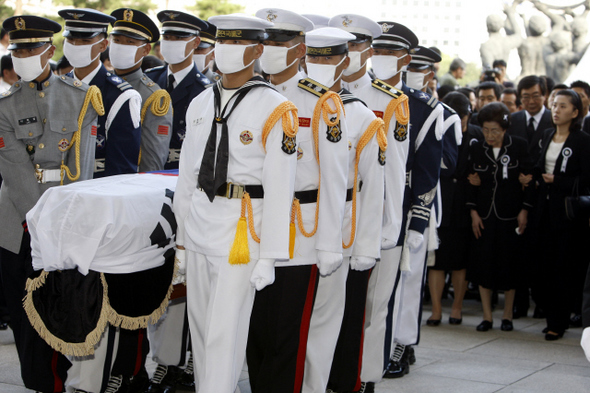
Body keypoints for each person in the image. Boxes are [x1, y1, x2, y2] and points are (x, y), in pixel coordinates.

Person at [173, 14, 298, 393]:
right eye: (221, 43)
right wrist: (180, 240)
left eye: (235, 43)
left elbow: (281, 187)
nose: (225, 52)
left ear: (257, 50)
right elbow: (186, 177)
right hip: (198, 226)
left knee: (223, 333)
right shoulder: (199, 101)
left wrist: (270, 255)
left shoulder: (277, 107)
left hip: (241, 231)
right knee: (199, 328)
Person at [0, 15, 100, 392]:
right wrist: (38, 218)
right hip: (18, 222)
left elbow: (83, 164)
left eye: (31, 49)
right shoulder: (4, 106)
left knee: (62, 302)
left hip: (65, 216)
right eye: (18, 50)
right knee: (25, 309)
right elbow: (14, 168)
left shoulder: (80, 98)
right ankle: (38, 383)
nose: (24, 56)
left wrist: (69, 218)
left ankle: (63, 380)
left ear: (50, 50)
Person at [336, 16, 410, 393]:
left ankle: (364, 379)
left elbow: (394, 172)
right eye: (343, 44)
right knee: (331, 308)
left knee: (371, 309)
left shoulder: (390, 100)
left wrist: (389, 230)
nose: (350, 53)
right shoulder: (315, 90)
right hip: (330, 219)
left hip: (373, 217)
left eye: (358, 45)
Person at [467, 102, 533, 332]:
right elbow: (471, 182)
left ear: (505, 129)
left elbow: (528, 181)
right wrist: (473, 212)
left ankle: (507, 315)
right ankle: (487, 316)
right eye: (485, 130)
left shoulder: (519, 146)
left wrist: (524, 209)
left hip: (510, 215)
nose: (490, 135)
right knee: (484, 265)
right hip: (484, 216)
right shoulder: (477, 148)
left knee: (509, 265)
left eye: (495, 130)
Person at [534, 89, 590, 340]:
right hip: (544, 210)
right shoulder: (546, 135)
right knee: (544, 265)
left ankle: (559, 320)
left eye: (563, 106)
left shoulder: (583, 140)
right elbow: (539, 167)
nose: (556, 110)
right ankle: (551, 317)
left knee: (563, 267)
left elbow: (586, 179)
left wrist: (559, 180)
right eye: (554, 105)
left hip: (568, 215)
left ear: (575, 112)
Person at [60, 8, 142, 178]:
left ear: (103, 45)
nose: (76, 45)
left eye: (84, 40)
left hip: (97, 192)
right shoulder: (57, 88)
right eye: (71, 39)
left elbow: (122, 170)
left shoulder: (121, 96)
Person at [108, 8, 173, 173]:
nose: (121, 46)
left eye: (130, 42)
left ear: (145, 50)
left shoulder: (153, 96)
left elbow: (152, 162)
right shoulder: (98, 86)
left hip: (127, 185)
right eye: (116, 40)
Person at [146, 11, 211, 170]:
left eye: (179, 38)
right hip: (147, 169)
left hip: (183, 172)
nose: (171, 42)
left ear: (196, 42)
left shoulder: (205, 89)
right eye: (167, 38)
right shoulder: (149, 80)